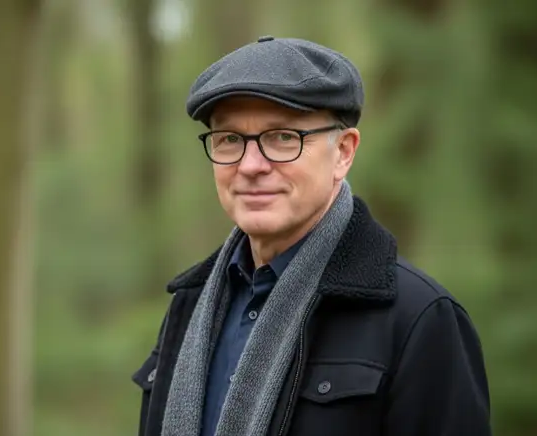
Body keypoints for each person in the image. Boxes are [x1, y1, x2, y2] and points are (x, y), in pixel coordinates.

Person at [132, 36, 492, 436]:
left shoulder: (419, 319)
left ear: (343, 152)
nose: (251, 165)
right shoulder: (189, 306)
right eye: (230, 139)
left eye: (283, 137)